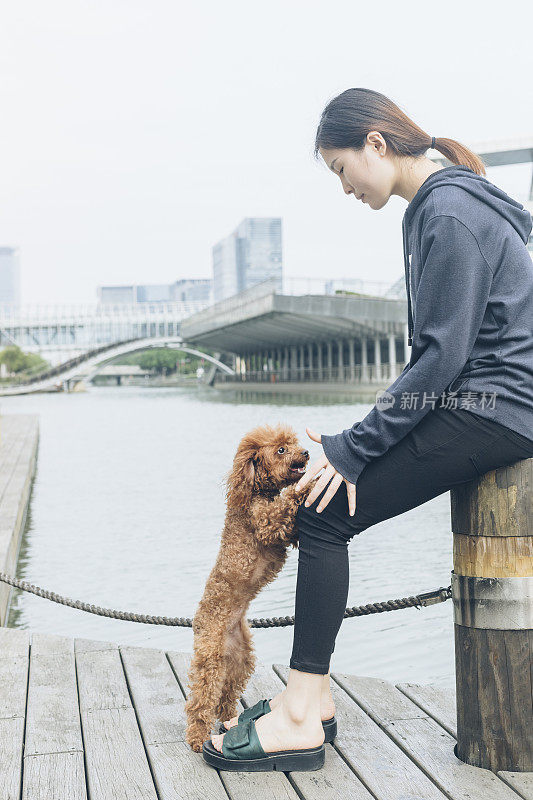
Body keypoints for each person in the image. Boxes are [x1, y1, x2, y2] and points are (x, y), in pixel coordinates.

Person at [209, 87, 533, 768]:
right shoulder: (441, 202)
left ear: (376, 144)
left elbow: (442, 356)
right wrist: (350, 442)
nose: (344, 186)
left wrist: (355, 450)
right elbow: (438, 359)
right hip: (477, 402)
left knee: (323, 512)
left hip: (495, 408)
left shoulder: (448, 208)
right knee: (328, 475)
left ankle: (301, 712)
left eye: (339, 169)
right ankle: (313, 697)